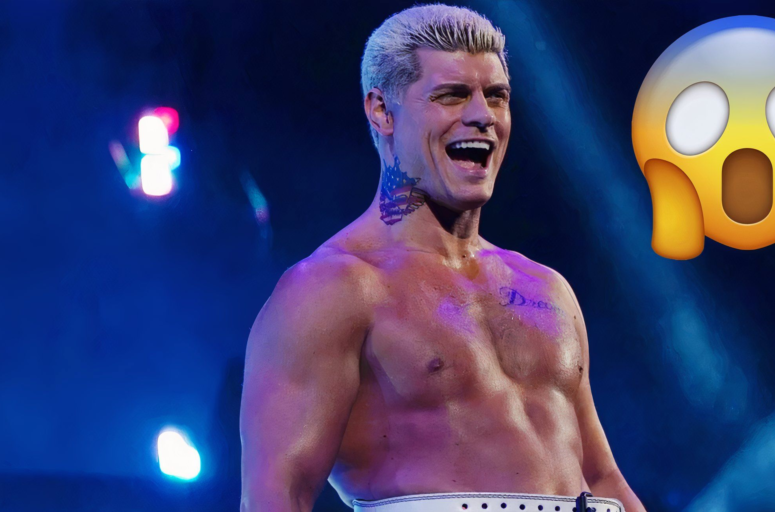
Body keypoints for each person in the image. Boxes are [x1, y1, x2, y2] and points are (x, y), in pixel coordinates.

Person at [239, 5, 645, 512]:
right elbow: (280, 493)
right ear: (382, 111)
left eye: (496, 96)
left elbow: (602, 478)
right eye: (452, 94)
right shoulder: (329, 291)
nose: (482, 116)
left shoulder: (546, 287)